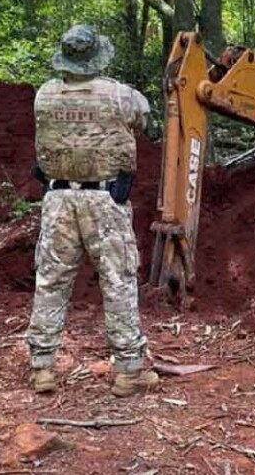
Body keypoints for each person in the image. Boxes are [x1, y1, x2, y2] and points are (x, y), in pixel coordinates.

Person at [26, 24, 159, 397]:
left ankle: (42, 368)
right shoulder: (120, 95)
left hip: (57, 199)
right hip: (104, 200)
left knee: (51, 281)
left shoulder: (44, 95)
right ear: (98, 57)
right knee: (118, 281)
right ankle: (128, 371)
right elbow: (143, 121)